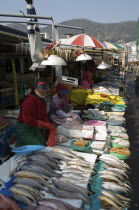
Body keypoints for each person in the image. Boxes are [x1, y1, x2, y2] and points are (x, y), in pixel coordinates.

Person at [15, 80, 56, 147]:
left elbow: (43, 116)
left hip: (34, 127)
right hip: (24, 129)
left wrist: (50, 126)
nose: (43, 93)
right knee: (39, 146)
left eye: (45, 92)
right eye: (40, 91)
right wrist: (44, 124)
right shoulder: (29, 102)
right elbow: (27, 120)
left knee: (43, 144)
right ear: (35, 90)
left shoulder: (43, 102)